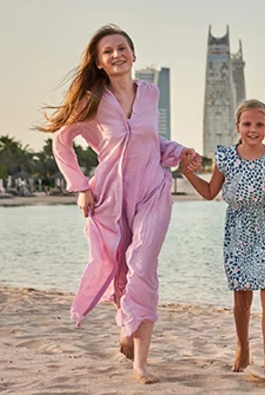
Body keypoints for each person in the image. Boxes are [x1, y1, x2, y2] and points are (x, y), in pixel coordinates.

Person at [41, 24, 201, 384]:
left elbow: (151, 140)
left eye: (122, 48)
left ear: (133, 53)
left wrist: (179, 152)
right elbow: (61, 142)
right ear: (99, 62)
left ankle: (140, 362)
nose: (117, 55)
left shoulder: (150, 93)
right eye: (108, 51)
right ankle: (127, 322)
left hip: (153, 191)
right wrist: (80, 186)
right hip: (111, 196)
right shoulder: (92, 100)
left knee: (142, 265)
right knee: (120, 269)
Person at [183, 99, 265, 384]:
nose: (253, 129)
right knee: (242, 298)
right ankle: (243, 348)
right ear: (238, 126)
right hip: (238, 230)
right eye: (247, 124)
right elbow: (209, 192)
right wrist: (188, 173)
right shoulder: (226, 157)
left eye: (259, 124)